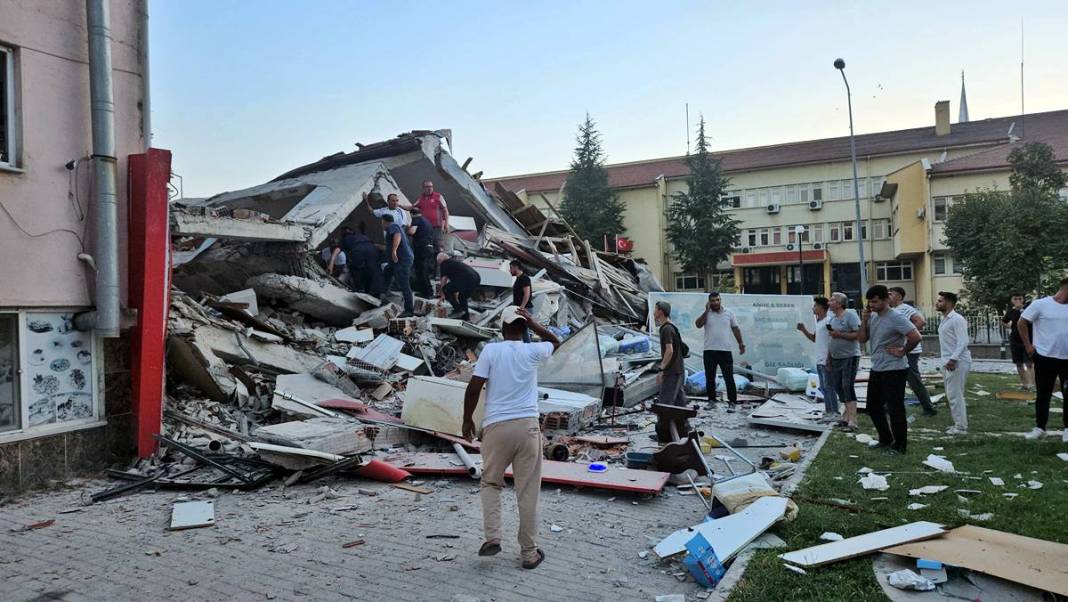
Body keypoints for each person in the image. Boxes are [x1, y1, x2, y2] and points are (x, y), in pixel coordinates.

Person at [462, 306, 560, 570]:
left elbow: (473, 389)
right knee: (528, 491)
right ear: (524, 329)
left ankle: (493, 537)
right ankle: (529, 554)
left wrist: (467, 419)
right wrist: (533, 321)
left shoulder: (491, 351)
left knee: (491, 483)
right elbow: (554, 341)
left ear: (502, 328)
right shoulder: (532, 351)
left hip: (496, 428)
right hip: (528, 428)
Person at [857, 285, 922, 454]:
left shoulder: (896, 317)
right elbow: (862, 339)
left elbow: (915, 336)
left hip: (895, 369)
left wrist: (903, 351)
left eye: (875, 301)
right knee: (873, 406)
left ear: (886, 299)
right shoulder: (873, 317)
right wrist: (864, 319)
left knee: (895, 408)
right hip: (877, 367)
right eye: (869, 302)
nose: (871, 305)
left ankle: (900, 446)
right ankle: (885, 438)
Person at [1017, 276, 1068, 442]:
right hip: (1044, 357)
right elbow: (1022, 322)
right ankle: (1040, 428)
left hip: (1066, 359)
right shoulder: (1041, 304)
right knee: (1043, 394)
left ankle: (1067, 429)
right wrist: (1028, 346)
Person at [888, 287, 937, 416]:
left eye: (890, 294)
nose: (888, 296)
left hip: (910, 350)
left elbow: (921, 321)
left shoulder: (905, 308)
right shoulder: (893, 310)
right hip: (897, 350)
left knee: (914, 380)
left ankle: (929, 408)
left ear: (898, 296)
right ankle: (890, 406)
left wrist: (908, 333)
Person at [694, 291, 745, 405]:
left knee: (728, 377)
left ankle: (732, 401)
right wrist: (706, 311)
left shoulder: (729, 313)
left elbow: (735, 328)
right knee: (710, 377)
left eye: (717, 300)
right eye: (713, 301)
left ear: (720, 300)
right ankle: (711, 400)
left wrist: (741, 343)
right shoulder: (707, 314)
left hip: (725, 351)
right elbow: (698, 324)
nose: (716, 302)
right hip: (709, 350)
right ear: (709, 302)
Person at [936, 291, 971, 435]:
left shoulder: (957, 319)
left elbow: (963, 341)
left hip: (956, 362)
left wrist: (953, 359)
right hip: (948, 361)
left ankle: (961, 427)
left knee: (955, 395)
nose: (937, 303)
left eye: (940, 301)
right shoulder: (945, 319)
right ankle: (958, 423)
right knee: (953, 394)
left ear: (949, 303)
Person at [797, 296, 838, 419]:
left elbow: (833, 341)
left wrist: (829, 359)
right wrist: (804, 330)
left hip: (826, 359)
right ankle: (828, 411)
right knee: (823, 387)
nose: (813, 308)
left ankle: (834, 412)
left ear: (822, 307)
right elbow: (815, 339)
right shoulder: (819, 322)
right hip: (819, 359)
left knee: (829, 386)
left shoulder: (829, 321)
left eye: (815, 306)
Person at [653, 301, 688, 443]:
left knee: (664, 405)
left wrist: (661, 369)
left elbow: (669, 350)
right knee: (680, 404)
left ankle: (664, 437)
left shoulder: (666, 329)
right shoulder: (672, 327)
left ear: (661, 311)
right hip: (679, 370)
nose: (654, 312)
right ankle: (685, 434)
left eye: (655, 310)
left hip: (672, 372)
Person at [826, 292, 862, 431]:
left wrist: (839, 334)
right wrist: (829, 358)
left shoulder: (850, 315)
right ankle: (846, 416)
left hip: (849, 356)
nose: (829, 302)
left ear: (839, 304)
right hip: (836, 357)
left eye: (832, 300)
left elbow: (858, 334)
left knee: (847, 386)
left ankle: (853, 420)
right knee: (838, 386)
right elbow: (831, 339)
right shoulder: (833, 319)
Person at [379, 214, 414, 317]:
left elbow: (397, 235)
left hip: (402, 261)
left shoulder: (393, 226)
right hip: (396, 262)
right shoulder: (393, 228)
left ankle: (409, 310)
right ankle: (383, 295)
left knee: (404, 284)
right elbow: (388, 247)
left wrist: (394, 250)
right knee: (387, 272)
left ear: (384, 221)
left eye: (382, 222)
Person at [1002, 293, 1034, 391]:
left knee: (1029, 363)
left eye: (1019, 299)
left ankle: (1032, 384)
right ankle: (1024, 384)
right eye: (1015, 299)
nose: (1018, 301)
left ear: (1023, 300)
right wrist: (1010, 327)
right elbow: (1003, 321)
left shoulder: (1028, 310)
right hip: (1015, 340)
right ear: (1012, 301)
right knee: (1018, 363)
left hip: (1027, 340)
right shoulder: (1011, 312)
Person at [339, 223, 383, 296]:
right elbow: (373, 244)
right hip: (372, 250)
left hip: (358, 252)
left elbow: (337, 250)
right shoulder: (362, 236)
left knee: (356, 269)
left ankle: (360, 290)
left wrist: (331, 264)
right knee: (374, 271)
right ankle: (376, 293)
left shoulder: (344, 240)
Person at [437, 252, 481, 320]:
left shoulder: (445, 263)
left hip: (466, 279)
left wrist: (442, 293)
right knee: (462, 297)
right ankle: (465, 317)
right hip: (476, 278)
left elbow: (444, 279)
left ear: (440, 260)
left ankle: (458, 310)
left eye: (438, 261)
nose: (438, 264)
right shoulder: (454, 262)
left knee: (446, 289)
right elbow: (454, 284)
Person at [415, 180, 450, 253]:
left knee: (438, 247)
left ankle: (440, 262)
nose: (430, 188)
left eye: (431, 186)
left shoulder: (438, 196)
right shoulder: (421, 198)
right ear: (423, 188)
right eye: (427, 187)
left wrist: (446, 224)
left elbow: (445, 211)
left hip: (437, 227)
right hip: (426, 228)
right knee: (427, 247)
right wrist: (400, 205)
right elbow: (412, 206)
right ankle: (430, 262)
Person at [407, 207, 435, 298]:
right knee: (424, 271)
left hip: (421, 248)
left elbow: (412, 232)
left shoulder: (416, 219)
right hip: (429, 247)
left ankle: (427, 293)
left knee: (420, 271)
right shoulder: (426, 221)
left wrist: (407, 229)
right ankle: (427, 292)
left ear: (411, 214)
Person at [510, 261, 534, 343]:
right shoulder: (518, 279)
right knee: (520, 329)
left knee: (523, 330)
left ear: (516, 267)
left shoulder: (524, 278)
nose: (510, 270)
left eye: (511, 268)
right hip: (520, 308)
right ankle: (523, 345)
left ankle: (528, 346)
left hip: (525, 308)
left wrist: (522, 307)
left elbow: (527, 294)